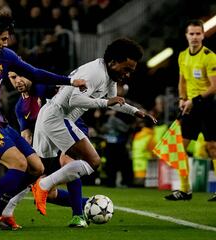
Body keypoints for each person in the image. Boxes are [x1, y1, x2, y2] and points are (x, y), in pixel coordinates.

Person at [0, 13, 86, 231]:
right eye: (3, 38)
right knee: (18, 164)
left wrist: (70, 81)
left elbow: (34, 73)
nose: (6, 43)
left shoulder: (5, 56)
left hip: (0, 124)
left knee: (36, 167)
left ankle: (0, 210)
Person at [31, 38, 158, 216]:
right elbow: (74, 99)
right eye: (126, 69)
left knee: (35, 170)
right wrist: (105, 102)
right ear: (113, 62)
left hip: (52, 115)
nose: (127, 74)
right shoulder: (95, 72)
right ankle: (44, 186)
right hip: (58, 117)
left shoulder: (110, 75)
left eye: (131, 71)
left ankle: (1, 209)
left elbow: (114, 102)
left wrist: (135, 112)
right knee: (93, 161)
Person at [0, 71, 90, 228]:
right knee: (46, 189)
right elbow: (26, 135)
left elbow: (66, 95)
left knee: (67, 160)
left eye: (20, 75)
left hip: (70, 128)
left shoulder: (42, 87)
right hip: (46, 143)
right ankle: (90, 204)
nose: (17, 80)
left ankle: (78, 216)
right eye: (12, 77)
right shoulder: (20, 107)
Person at [164, 19, 216, 201]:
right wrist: (182, 99)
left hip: (208, 106)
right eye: (191, 34)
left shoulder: (210, 56)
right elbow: (182, 81)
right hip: (189, 107)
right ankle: (185, 190)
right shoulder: (182, 56)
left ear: (203, 35)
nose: (194, 37)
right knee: (179, 148)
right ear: (186, 36)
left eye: (198, 33)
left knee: (212, 148)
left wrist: (194, 100)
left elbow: (214, 87)